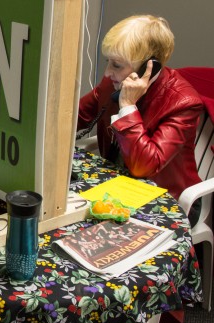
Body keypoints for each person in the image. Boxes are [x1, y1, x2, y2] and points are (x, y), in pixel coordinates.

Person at [77, 15, 202, 203]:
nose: (107, 73)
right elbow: (74, 116)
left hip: (166, 198)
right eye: (108, 62)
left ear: (148, 67)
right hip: (116, 186)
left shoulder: (183, 103)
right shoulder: (111, 84)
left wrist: (127, 107)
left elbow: (143, 166)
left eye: (117, 65)